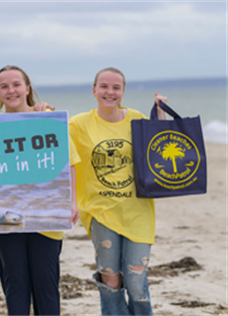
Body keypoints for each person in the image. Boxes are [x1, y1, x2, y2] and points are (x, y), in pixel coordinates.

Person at [69, 67, 167, 316]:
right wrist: (41, 111)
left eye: (116, 87)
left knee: (135, 281)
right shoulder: (80, 124)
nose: (109, 92)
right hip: (101, 212)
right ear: (94, 90)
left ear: (123, 92)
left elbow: (159, 148)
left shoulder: (135, 119)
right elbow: (50, 137)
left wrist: (160, 116)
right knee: (110, 280)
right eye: (103, 86)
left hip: (138, 212)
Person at [0, 65, 80, 316]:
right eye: (4, 86)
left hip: (46, 218)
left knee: (46, 288)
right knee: (15, 288)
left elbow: (69, 162)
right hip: (6, 219)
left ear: (27, 88)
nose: (11, 91)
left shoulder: (48, 118)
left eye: (16, 85)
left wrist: (71, 202)